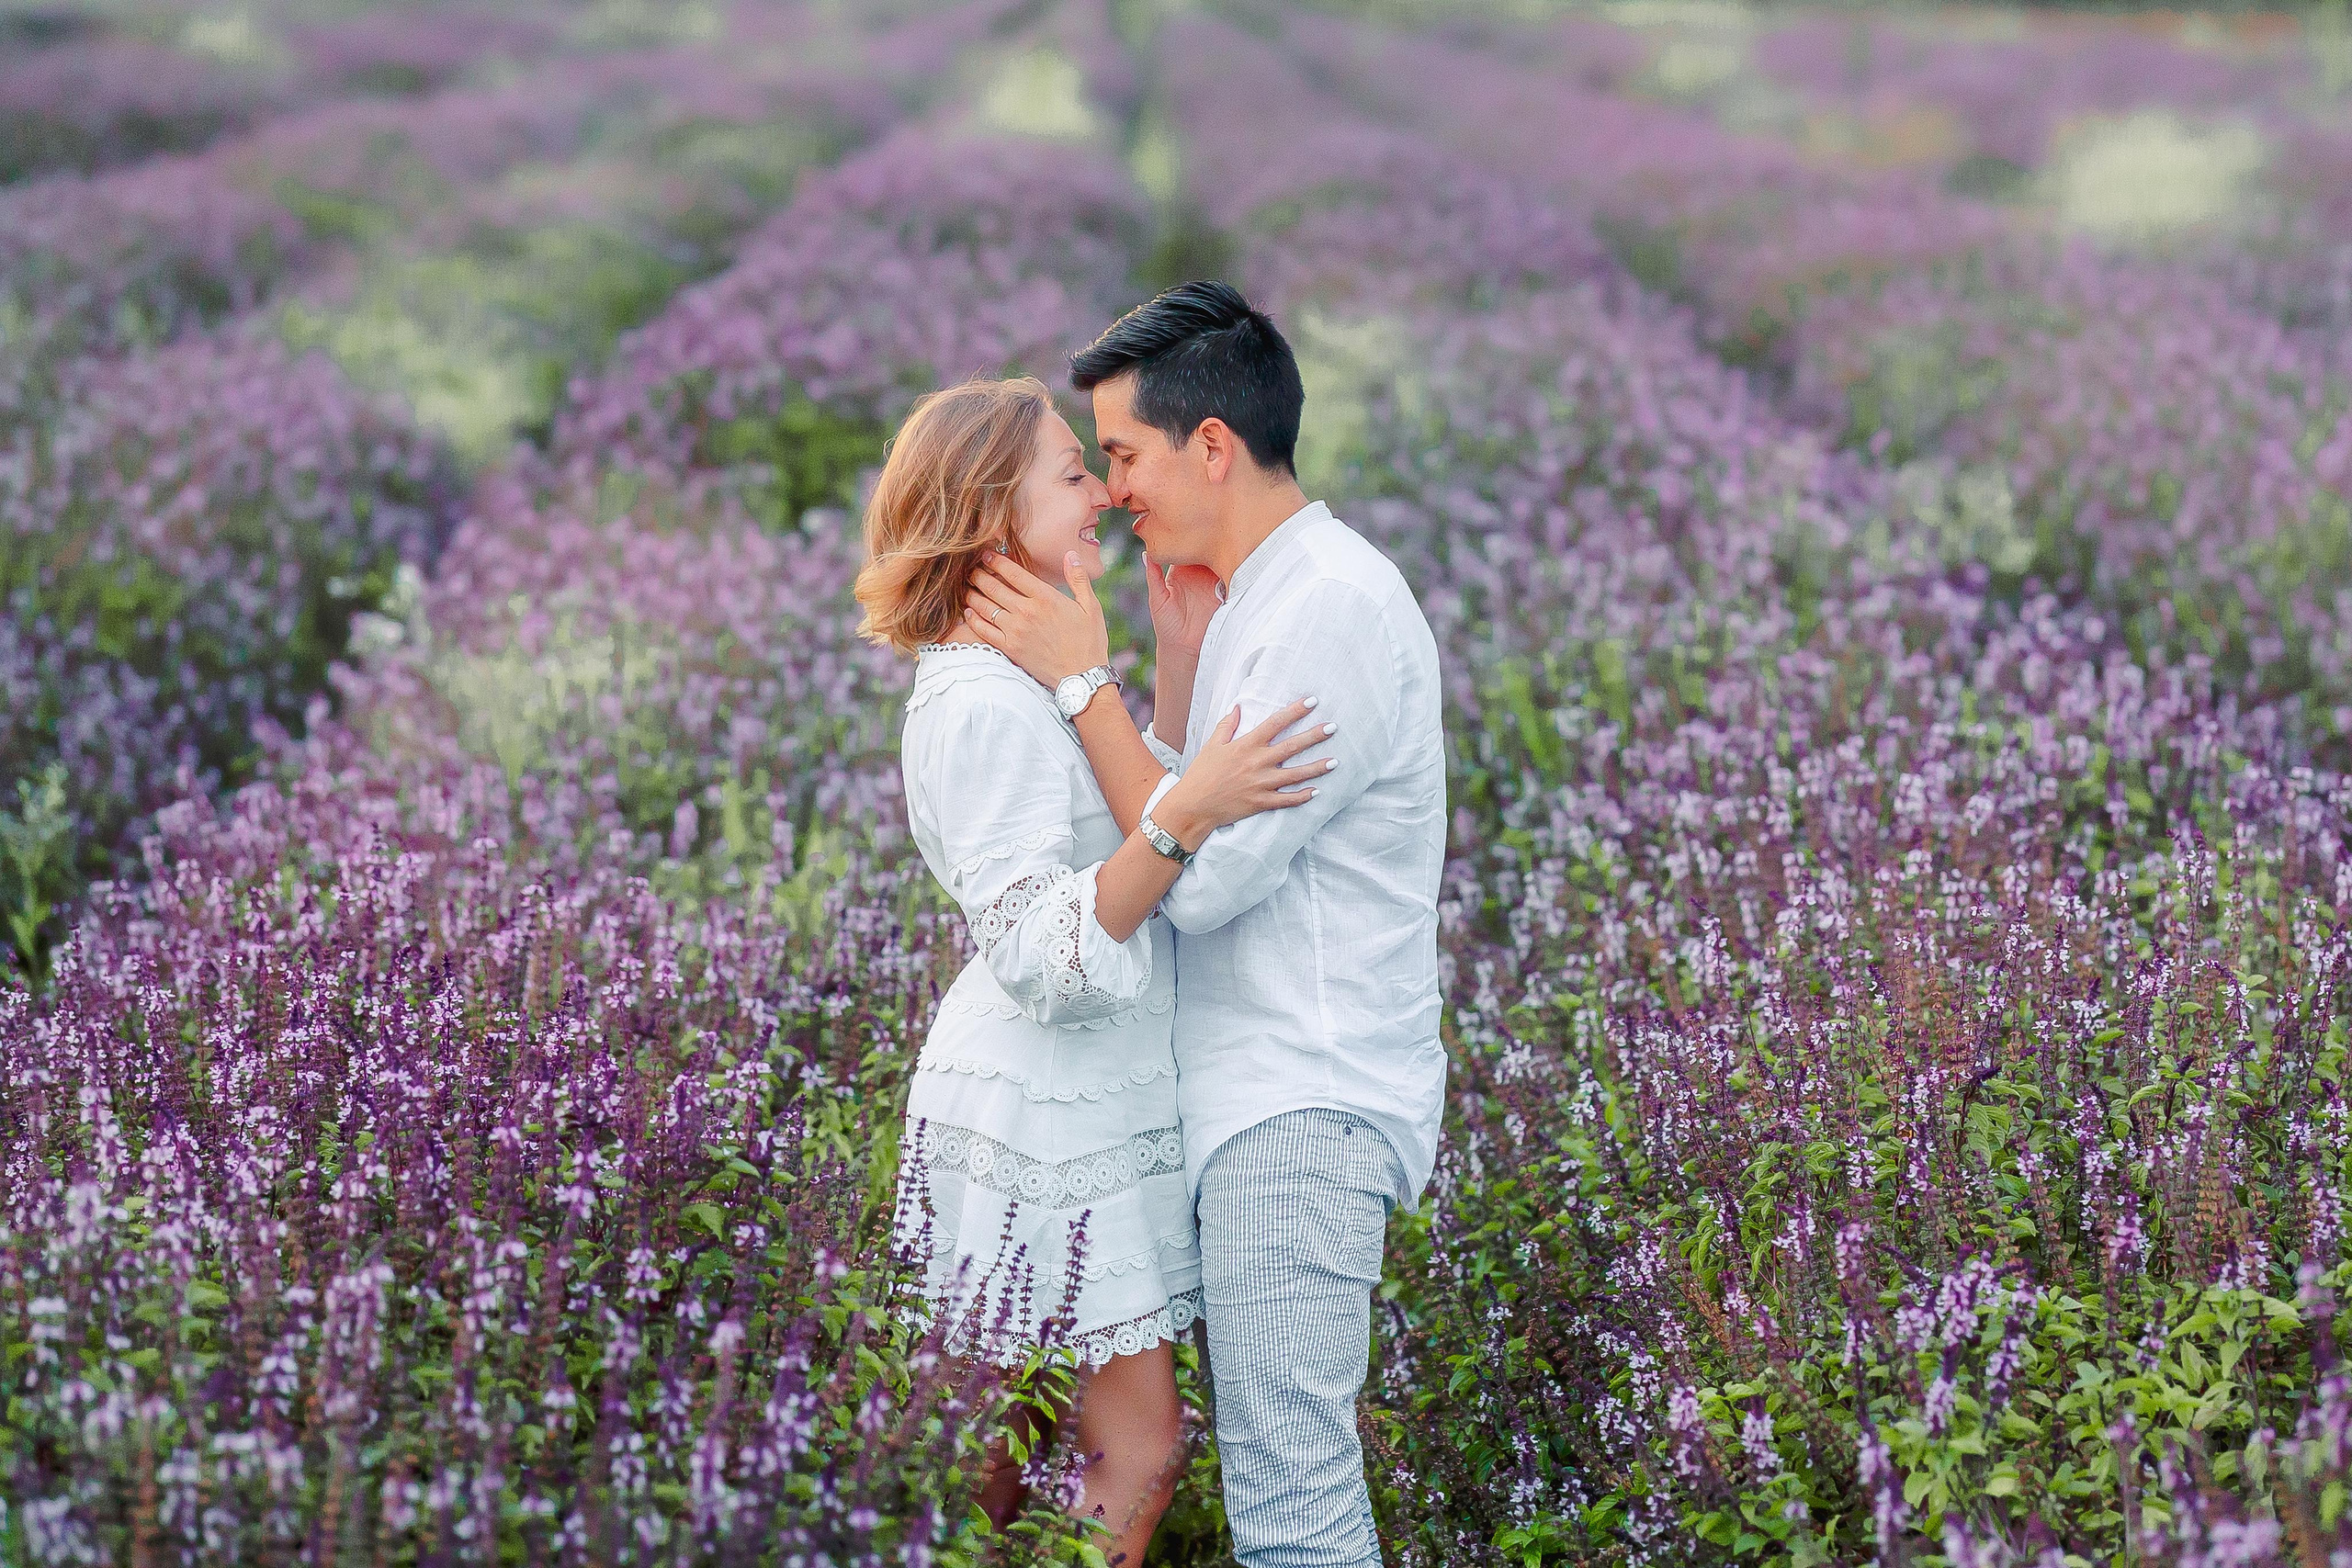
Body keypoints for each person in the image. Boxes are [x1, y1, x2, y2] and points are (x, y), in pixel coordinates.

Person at [962, 282, 1448, 1568]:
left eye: (1121, 454)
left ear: (1213, 446)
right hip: (1261, 1096)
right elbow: (1188, 823)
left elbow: (1208, 876)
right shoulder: (1264, 602)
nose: (1113, 492)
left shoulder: (1325, 608)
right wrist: (1173, 683)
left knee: (1293, 1492)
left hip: (1302, 1102)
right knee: (1278, 1476)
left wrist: (1086, 683)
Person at [853, 375, 1337, 1565]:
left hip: (1090, 1104)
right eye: (1072, 472)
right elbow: (1046, 952)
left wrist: (1164, 667)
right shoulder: (979, 705)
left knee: (1011, 1447)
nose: (1106, 489)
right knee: (1080, 1449)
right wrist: (1187, 819)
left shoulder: (1021, 675)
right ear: (989, 512)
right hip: (1042, 1109)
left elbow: (1121, 807)